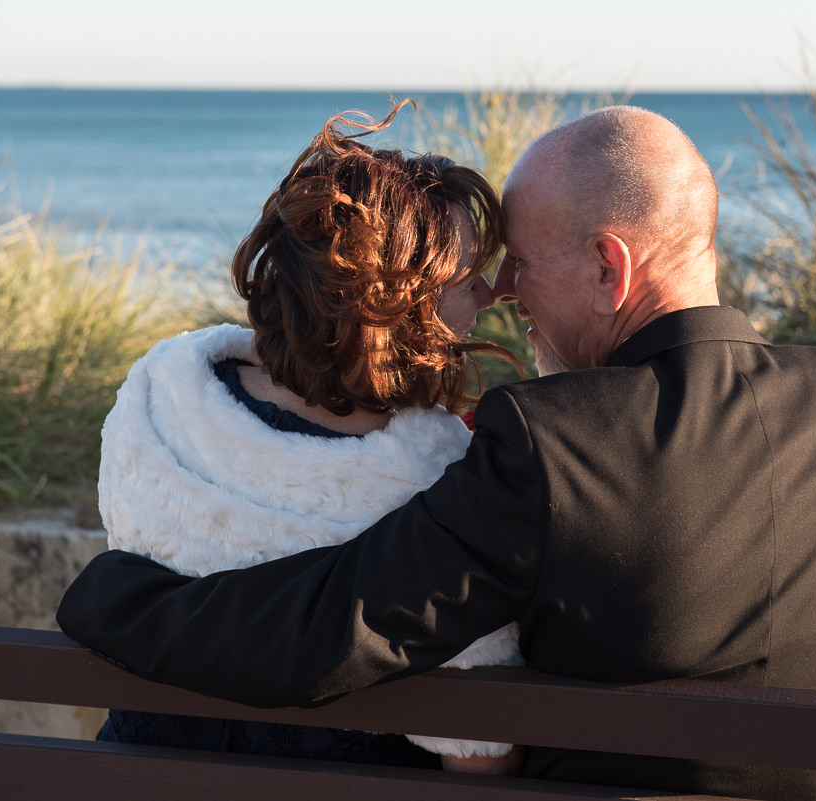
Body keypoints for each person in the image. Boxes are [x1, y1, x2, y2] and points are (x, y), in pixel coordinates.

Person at [59, 106, 816, 800]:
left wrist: (115, 598)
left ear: (611, 268)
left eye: (520, 260)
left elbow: (331, 627)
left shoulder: (550, 441)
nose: (504, 290)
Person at [89, 102, 524, 774]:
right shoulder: (435, 486)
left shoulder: (158, 408)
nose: (491, 296)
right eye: (469, 281)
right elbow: (482, 752)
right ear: (396, 306)